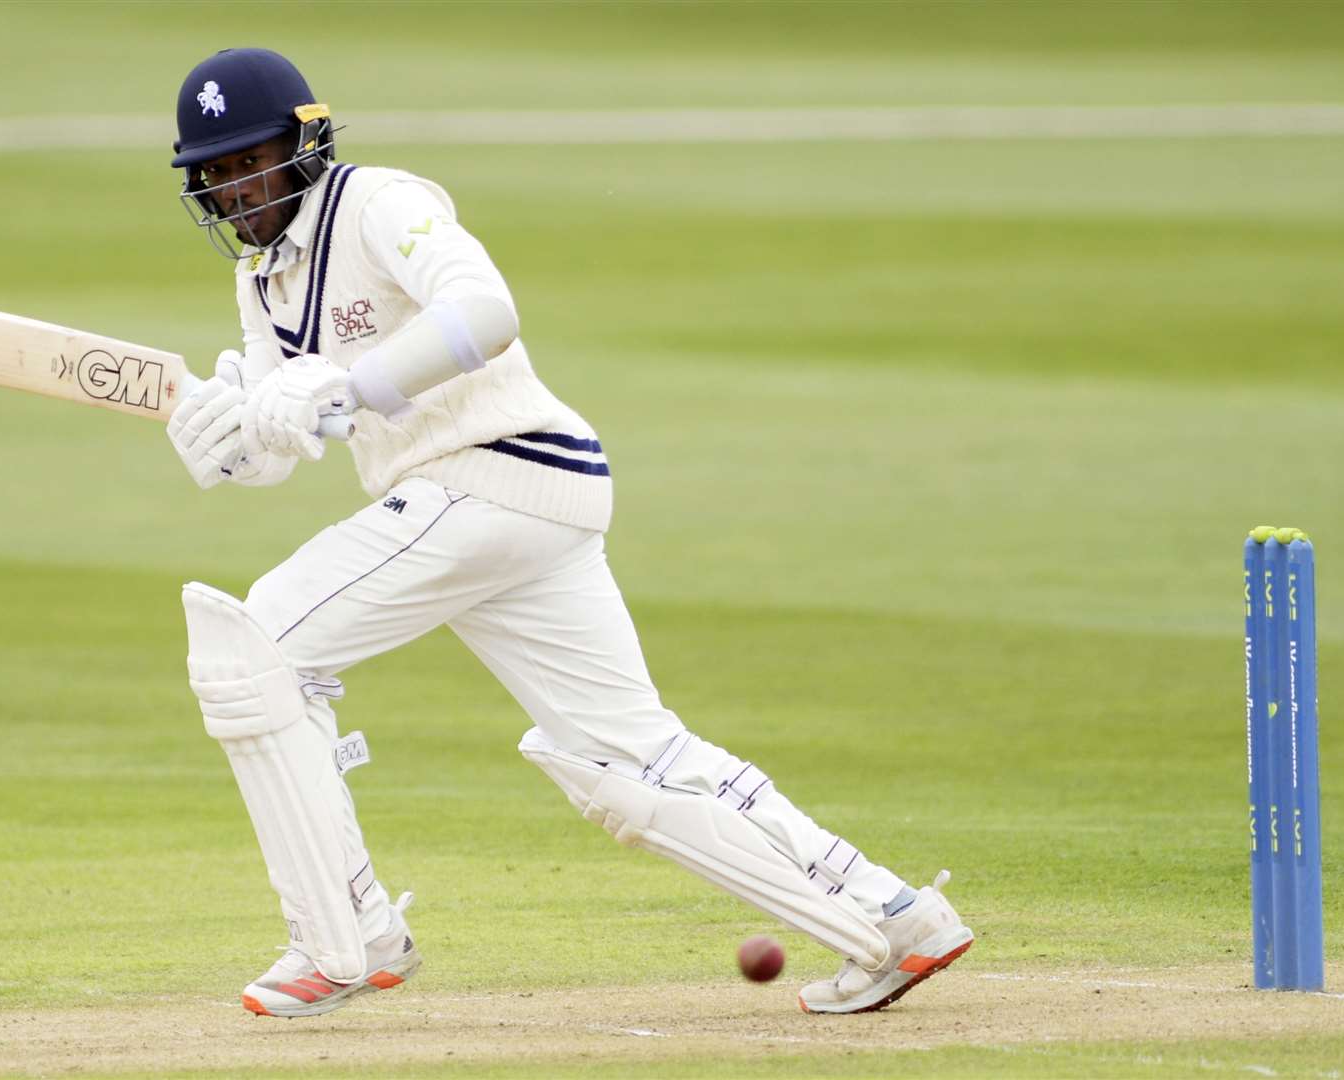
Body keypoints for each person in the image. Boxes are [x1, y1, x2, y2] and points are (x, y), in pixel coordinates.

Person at [163, 47, 972, 1019]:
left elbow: (484, 312)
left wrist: (349, 384)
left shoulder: (373, 201)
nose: (234, 189)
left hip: (499, 472)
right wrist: (228, 435)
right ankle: (896, 917)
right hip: (503, 508)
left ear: (303, 145)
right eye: (213, 174)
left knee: (258, 648)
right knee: (631, 752)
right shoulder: (262, 283)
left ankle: (347, 935)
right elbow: (290, 436)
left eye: (248, 161)